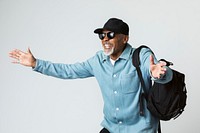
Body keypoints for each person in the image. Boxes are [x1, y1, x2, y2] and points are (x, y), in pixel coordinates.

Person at [9, 18, 172, 133]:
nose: (105, 39)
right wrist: (36, 63)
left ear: (125, 38)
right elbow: (68, 70)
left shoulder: (141, 55)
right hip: (112, 128)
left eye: (111, 35)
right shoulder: (98, 61)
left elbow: (155, 69)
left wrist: (157, 73)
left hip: (140, 130)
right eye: (102, 35)